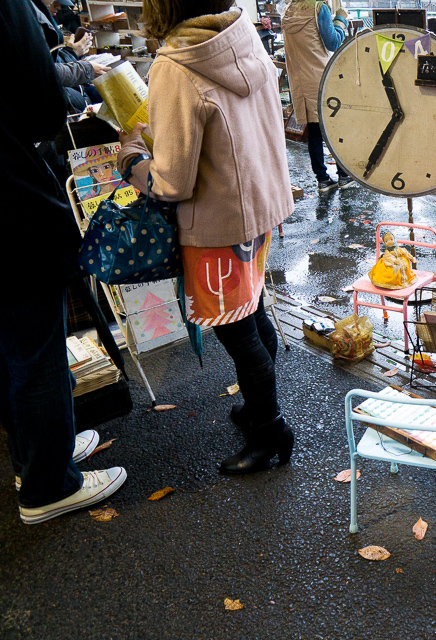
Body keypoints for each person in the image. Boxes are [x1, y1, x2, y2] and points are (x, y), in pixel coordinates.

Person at [118, 0, 295, 475]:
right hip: (259, 207)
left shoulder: (175, 65)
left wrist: (131, 157)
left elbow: (172, 181)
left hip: (217, 226)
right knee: (251, 310)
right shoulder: (240, 32)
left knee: (238, 333)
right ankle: (260, 411)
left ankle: (270, 431)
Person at [1, 0, 126, 524]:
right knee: (36, 343)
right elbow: (41, 106)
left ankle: (38, 458)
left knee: (10, 344)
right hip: (9, 196)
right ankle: (50, 485)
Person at [281, 0, 353, 192]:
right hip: (321, 77)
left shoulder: (287, 10)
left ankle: (322, 179)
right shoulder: (318, 8)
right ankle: (344, 175)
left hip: (299, 79)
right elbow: (333, 42)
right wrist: (340, 19)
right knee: (334, 127)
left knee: (314, 129)